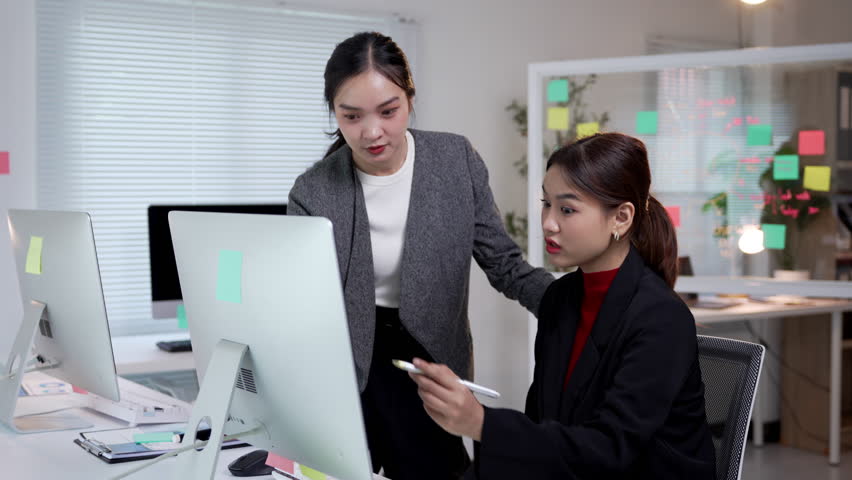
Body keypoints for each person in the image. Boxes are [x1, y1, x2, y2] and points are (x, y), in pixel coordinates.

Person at [286, 32, 554, 480]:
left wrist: (578, 302)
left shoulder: (455, 160)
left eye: (388, 111)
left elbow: (506, 266)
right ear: (334, 112)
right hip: (348, 363)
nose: (372, 132)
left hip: (430, 361)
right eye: (351, 116)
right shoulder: (312, 190)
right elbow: (301, 305)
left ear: (410, 99)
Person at [409, 133, 717, 479]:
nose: (548, 223)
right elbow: (546, 423)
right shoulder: (561, 298)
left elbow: (610, 449)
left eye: (567, 209)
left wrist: (481, 423)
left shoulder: (661, 319)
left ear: (621, 218)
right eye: (546, 204)